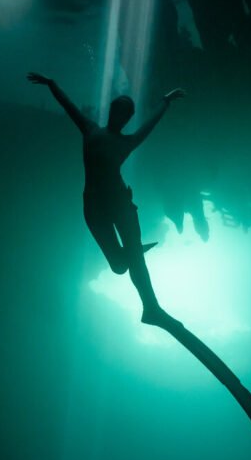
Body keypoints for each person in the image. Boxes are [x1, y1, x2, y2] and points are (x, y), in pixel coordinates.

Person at [27, 72, 186, 322]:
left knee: (134, 262)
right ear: (111, 110)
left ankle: (151, 308)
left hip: (121, 204)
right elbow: (67, 106)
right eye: (117, 108)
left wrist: (165, 101)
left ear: (128, 118)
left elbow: (149, 126)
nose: (119, 114)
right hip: (94, 208)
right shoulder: (90, 130)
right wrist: (51, 84)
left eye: (125, 112)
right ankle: (132, 253)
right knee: (119, 266)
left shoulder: (128, 141)